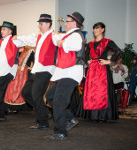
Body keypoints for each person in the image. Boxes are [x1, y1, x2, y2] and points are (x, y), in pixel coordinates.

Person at [13, 14, 58, 130]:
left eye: (41, 24)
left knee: (36, 94)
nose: (39, 26)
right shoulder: (39, 36)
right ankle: (45, 112)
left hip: (46, 70)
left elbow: (63, 40)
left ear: (48, 24)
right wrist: (17, 37)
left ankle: (42, 122)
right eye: (39, 23)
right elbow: (28, 39)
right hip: (36, 70)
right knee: (26, 92)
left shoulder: (53, 36)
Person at [45, 11, 85, 140]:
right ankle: (69, 119)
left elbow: (75, 45)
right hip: (63, 73)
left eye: (67, 21)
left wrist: (62, 43)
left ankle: (60, 132)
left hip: (71, 73)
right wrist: (58, 37)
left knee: (59, 101)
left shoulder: (77, 35)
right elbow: (57, 39)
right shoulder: (68, 35)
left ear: (73, 23)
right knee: (50, 96)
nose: (65, 23)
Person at [77, 22, 121, 122]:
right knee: (91, 92)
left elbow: (118, 51)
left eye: (97, 28)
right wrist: (87, 60)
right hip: (92, 69)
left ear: (102, 30)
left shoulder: (108, 41)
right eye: (94, 28)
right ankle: (92, 115)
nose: (95, 30)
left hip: (102, 69)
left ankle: (102, 115)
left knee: (101, 92)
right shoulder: (91, 43)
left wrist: (109, 61)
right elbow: (84, 54)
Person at [0, 21, 25, 122]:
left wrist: (19, 37)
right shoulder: (1, 42)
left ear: (10, 31)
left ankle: (1, 115)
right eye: (1, 29)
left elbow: (27, 40)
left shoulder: (14, 40)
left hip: (9, 71)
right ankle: (5, 109)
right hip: (0, 72)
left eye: (4, 29)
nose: (1, 31)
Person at [4, 47, 34, 112]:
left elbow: (36, 61)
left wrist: (32, 68)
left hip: (24, 74)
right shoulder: (14, 51)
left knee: (22, 90)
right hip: (14, 72)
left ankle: (21, 108)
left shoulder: (29, 51)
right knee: (11, 89)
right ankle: (10, 107)